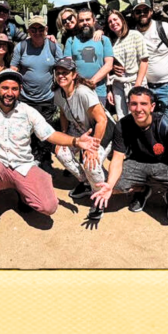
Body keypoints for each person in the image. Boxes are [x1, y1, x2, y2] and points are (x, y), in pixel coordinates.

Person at [0, 70, 101, 255]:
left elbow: (50, 134)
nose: (9, 93)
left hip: (23, 165)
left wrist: (76, 141)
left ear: (20, 91)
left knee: (48, 207)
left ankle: (22, 190)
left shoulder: (28, 112)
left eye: (14, 89)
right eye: (5, 88)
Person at [91, 87, 168, 225]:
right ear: (129, 106)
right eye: (134, 104)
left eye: (144, 104)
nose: (138, 109)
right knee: (112, 184)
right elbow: (117, 159)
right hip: (136, 163)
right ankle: (143, 189)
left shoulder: (166, 124)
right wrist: (109, 185)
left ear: (152, 106)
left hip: (165, 164)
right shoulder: (123, 125)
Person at [52, 58, 116, 219]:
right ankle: (87, 183)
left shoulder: (83, 91)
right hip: (81, 130)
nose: (61, 76)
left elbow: (102, 120)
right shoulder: (58, 93)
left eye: (65, 73)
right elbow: (63, 113)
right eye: (58, 73)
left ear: (73, 75)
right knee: (61, 150)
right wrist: (65, 134)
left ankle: (99, 197)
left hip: (102, 129)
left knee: (91, 162)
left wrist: (93, 148)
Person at [8, 14, 62, 174]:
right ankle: (29, 161)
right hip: (26, 99)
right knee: (26, 131)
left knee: (45, 131)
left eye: (40, 28)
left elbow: (63, 66)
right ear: (28, 30)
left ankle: (45, 161)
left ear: (46, 29)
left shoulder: (53, 46)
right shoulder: (21, 47)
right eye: (33, 29)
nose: (37, 32)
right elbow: (14, 68)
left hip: (47, 98)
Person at [132, 0, 168, 121]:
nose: (142, 14)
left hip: (166, 86)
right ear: (134, 14)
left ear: (151, 12)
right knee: (147, 124)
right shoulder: (132, 35)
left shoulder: (165, 29)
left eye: (145, 10)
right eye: (138, 11)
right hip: (144, 87)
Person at [63, 7, 114, 101]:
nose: (85, 22)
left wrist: (91, 82)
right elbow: (67, 65)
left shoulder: (104, 40)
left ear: (94, 21)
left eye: (88, 19)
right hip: (76, 91)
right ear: (78, 23)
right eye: (81, 20)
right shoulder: (71, 41)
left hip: (98, 91)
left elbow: (109, 65)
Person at [106, 9, 149, 119]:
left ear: (122, 20)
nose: (113, 23)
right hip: (117, 84)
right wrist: (109, 89)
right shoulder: (110, 41)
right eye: (110, 21)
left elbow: (144, 61)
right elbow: (107, 64)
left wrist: (138, 85)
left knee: (139, 115)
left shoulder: (135, 35)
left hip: (134, 81)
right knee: (123, 118)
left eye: (115, 19)